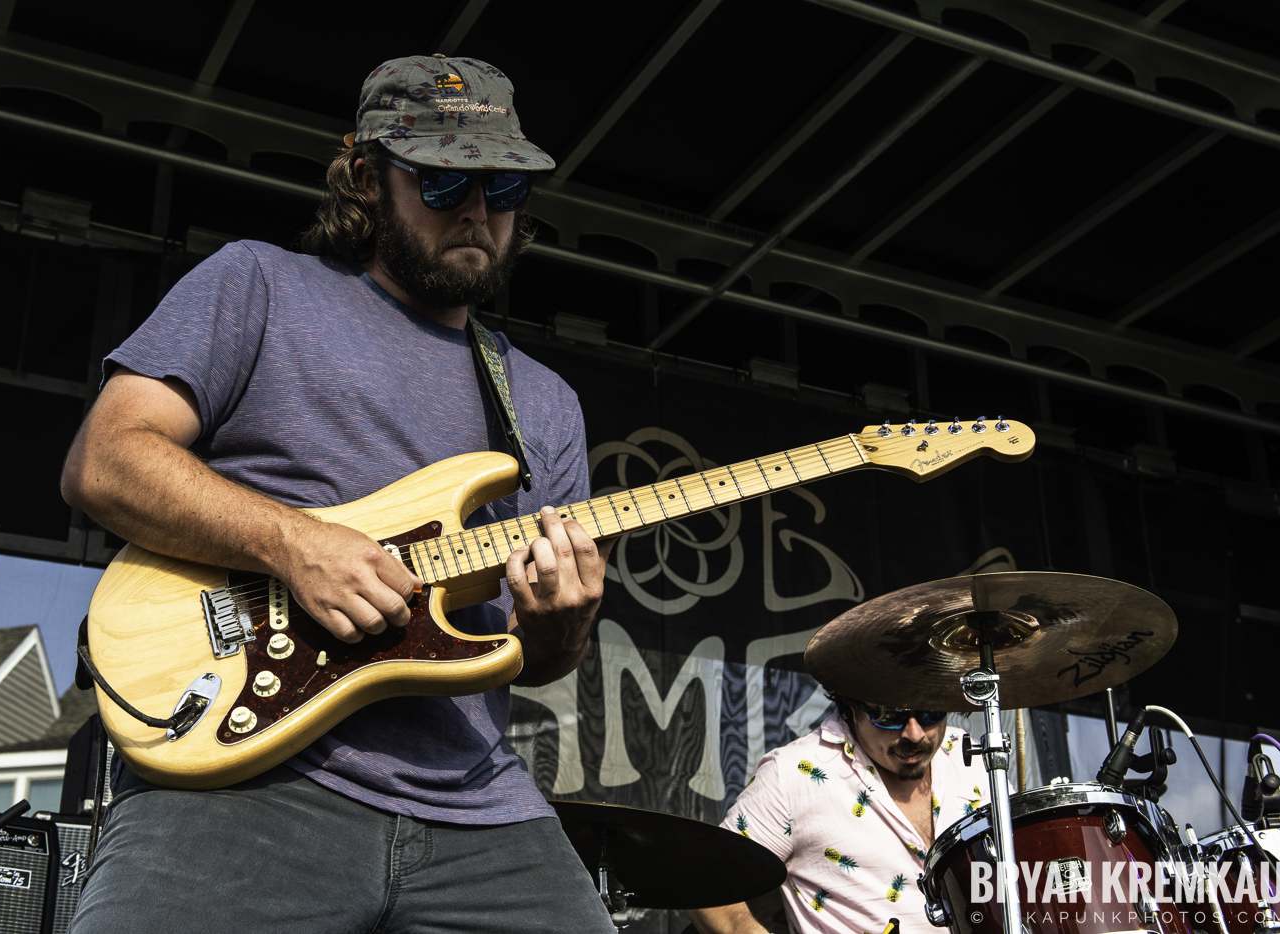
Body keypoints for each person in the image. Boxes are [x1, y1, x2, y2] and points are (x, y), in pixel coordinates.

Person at [61, 54, 618, 934]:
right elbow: (107, 460)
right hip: (240, 784)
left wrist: (562, 624)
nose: (478, 210)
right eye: (444, 181)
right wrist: (292, 543)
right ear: (367, 177)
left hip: (478, 812)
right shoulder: (260, 285)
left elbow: (532, 660)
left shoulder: (542, 402)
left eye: (503, 184)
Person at [687, 697, 986, 934]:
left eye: (930, 712)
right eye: (889, 715)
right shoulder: (793, 773)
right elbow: (705, 877)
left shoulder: (975, 759)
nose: (914, 733)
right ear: (852, 706)